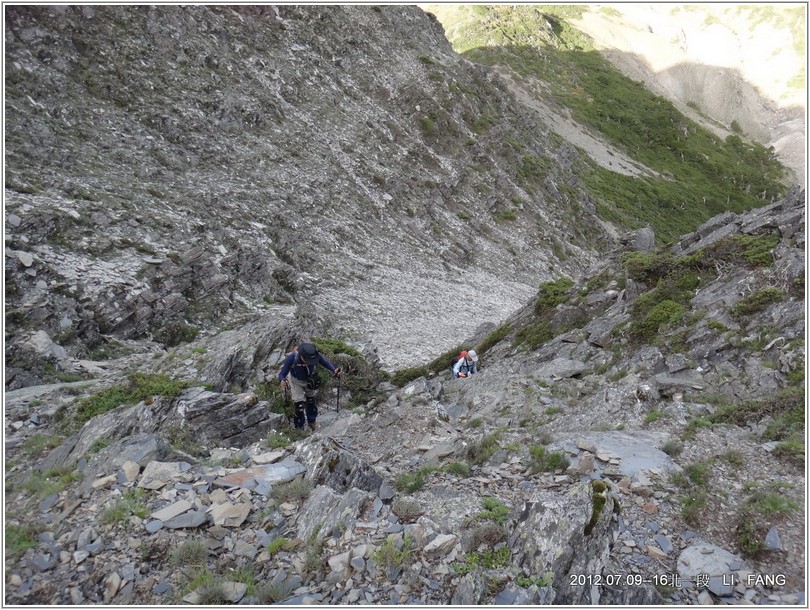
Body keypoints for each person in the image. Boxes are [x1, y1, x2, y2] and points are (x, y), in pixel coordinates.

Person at [279, 342, 342, 430]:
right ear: (302, 356)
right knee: (299, 405)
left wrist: (334, 370)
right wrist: (283, 380)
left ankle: (312, 422)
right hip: (295, 381)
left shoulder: (315, 355)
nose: (310, 362)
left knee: (311, 400)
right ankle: (299, 427)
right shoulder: (293, 357)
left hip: (309, 380)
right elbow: (282, 374)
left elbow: (326, 363)